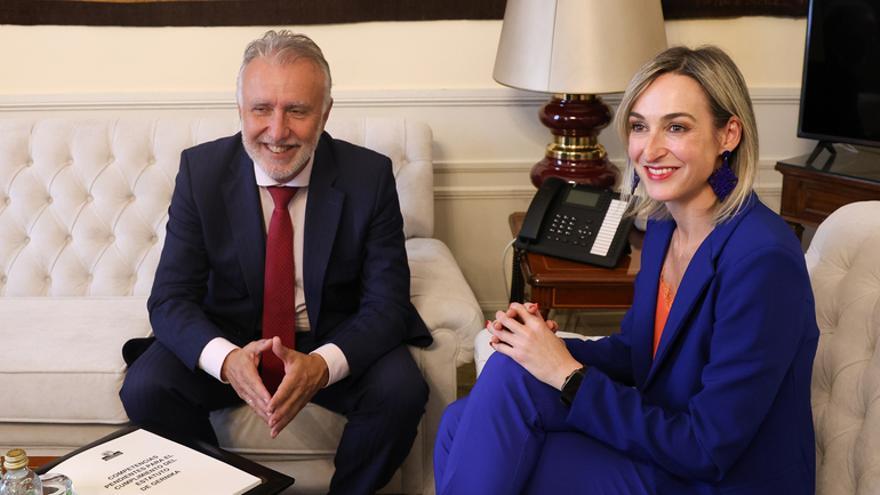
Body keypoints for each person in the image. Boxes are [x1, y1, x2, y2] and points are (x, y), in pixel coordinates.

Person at [434, 45, 819, 494]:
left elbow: (707, 448)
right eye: (639, 126)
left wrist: (567, 375)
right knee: (468, 410)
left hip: (716, 475)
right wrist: (541, 346)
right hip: (665, 437)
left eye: (676, 127)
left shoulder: (762, 260)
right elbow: (639, 353)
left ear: (728, 134)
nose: (649, 150)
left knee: (478, 439)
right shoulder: (661, 228)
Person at [120, 30, 432, 495]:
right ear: (240, 110)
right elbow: (170, 299)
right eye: (261, 109)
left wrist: (322, 365)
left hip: (331, 333)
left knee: (403, 391)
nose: (277, 130)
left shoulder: (369, 176)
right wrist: (226, 360)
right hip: (230, 332)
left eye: (297, 110)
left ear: (325, 113)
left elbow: (386, 304)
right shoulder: (201, 172)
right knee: (145, 388)